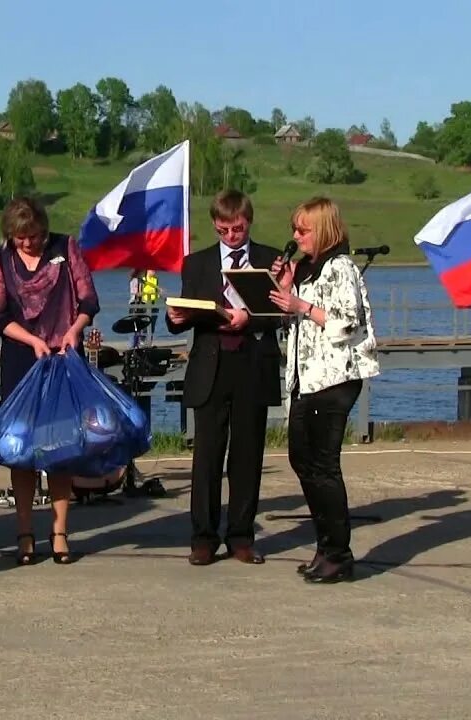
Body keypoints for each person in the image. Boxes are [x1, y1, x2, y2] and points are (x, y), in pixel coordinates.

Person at [164, 189, 283, 566]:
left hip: (251, 363)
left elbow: (281, 313)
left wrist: (253, 318)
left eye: (237, 229)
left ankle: (241, 537)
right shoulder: (196, 264)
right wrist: (175, 319)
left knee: (247, 455)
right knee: (207, 457)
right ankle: (203, 537)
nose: (231, 236)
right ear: (214, 226)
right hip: (210, 365)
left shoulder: (269, 259)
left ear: (249, 221)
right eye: (223, 230)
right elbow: (185, 309)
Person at [0, 195, 99, 565]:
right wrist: (32, 339)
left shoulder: (66, 248)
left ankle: (60, 532)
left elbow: (88, 300)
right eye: (20, 238)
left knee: (61, 448)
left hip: (64, 354)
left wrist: (74, 330)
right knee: (22, 450)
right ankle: (25, 531)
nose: (28, 243)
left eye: (33, 235)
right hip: (21, 356)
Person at [268, 196, 381, 584]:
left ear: (324, 229)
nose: (296, 237)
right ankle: (324, 544)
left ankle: (339, 553)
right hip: (305, 377)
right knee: (302, 459)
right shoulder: (305, 270)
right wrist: (285, 290)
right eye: (293, 229)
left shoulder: (341, 267)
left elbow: (348, 322)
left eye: (303, 230)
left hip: (336, 378)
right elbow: (293, 321)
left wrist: (299, 304)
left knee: (324, 464)